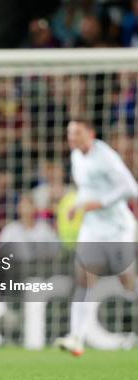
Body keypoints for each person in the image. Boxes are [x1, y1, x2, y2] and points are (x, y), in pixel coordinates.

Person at [54, 118, 137, 356]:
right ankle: (76, 338)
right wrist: (78, 204)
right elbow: (87, 189)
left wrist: (99, 203)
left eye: (77, 133)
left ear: (90, 133)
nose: (72, 138)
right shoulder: (76, 157)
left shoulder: (107, 157)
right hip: (93, 227)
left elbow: (131, 188)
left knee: (127, 281)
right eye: (70, 133)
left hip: (118, 227)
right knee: (84, 279)